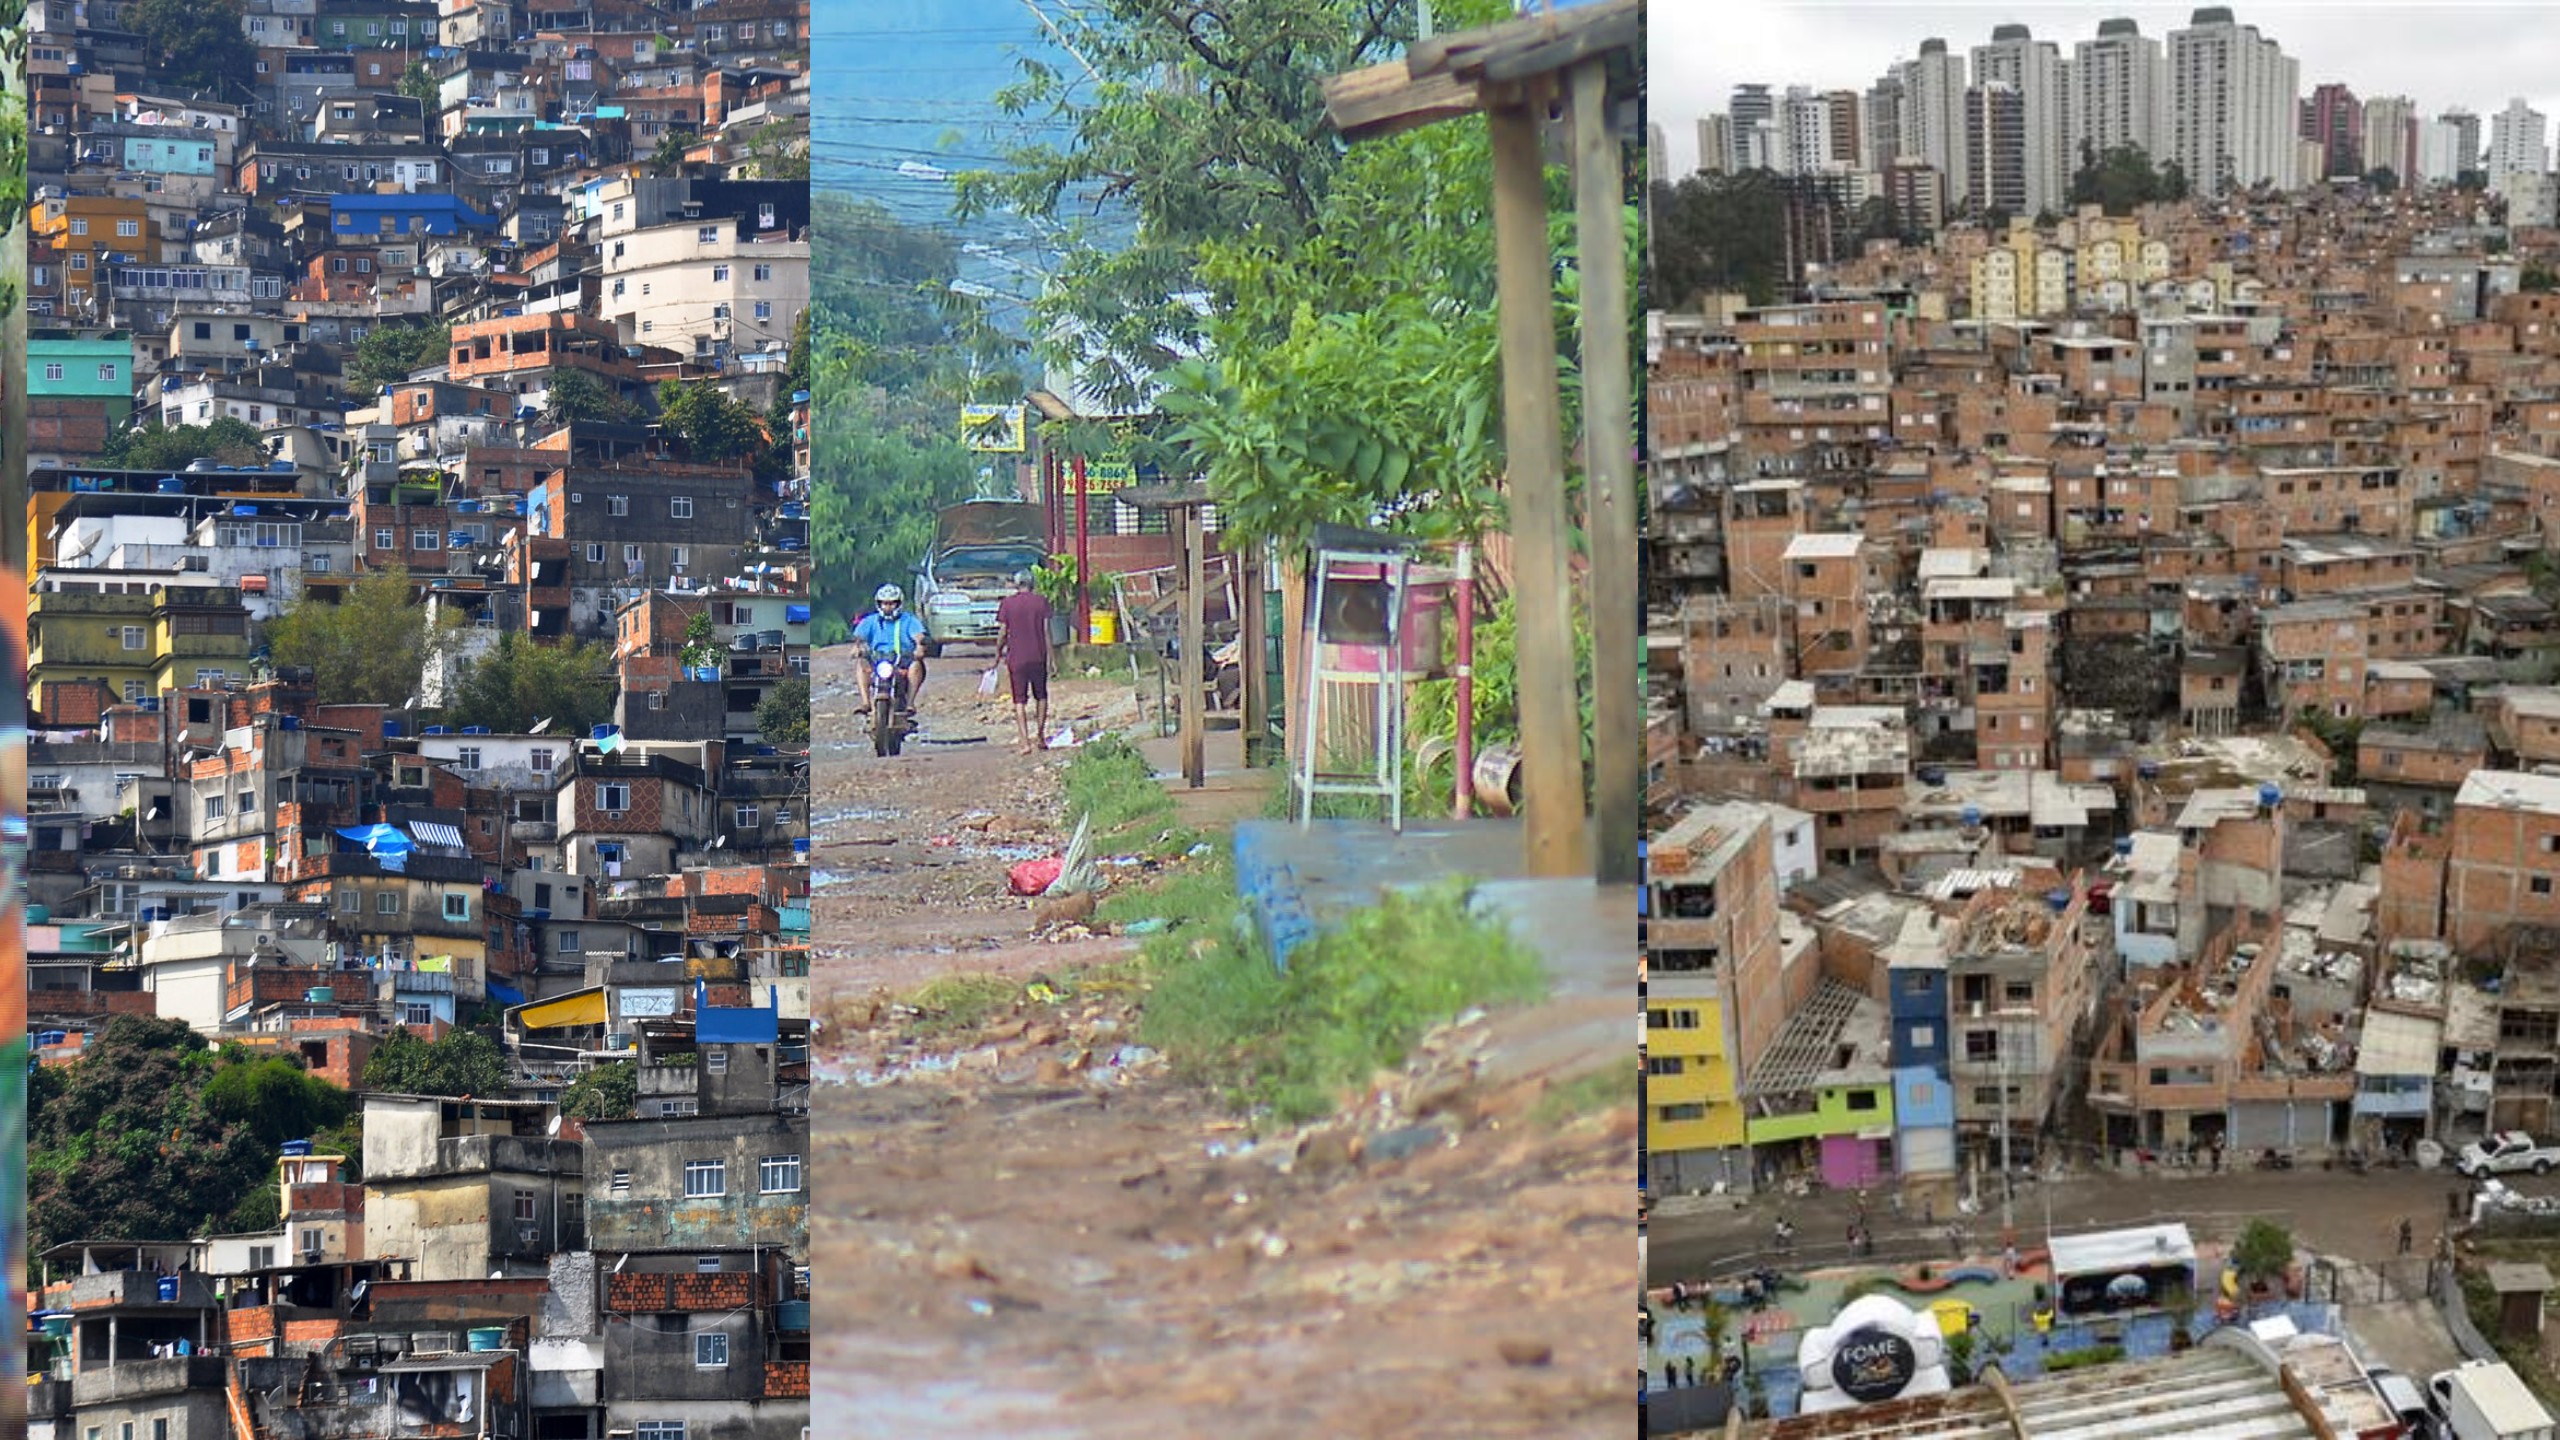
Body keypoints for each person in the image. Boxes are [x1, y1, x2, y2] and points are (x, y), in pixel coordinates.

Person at [994, 570, 1056, 755]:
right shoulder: (1041, 602)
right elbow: (1046, 632)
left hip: (1017, 658)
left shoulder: (1008, 604)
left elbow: (1003, 632)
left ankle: (1024, 741)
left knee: (1019, 700)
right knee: (1041, 696)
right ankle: (1041, 736)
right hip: (1038, 656)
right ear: (1032, 583)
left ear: (1016, 584)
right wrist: (1052, 658)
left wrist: (998, 652)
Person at [854, 585, 929, 719]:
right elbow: (860, 637)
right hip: (877, 659)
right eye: (884, 603)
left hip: (902, 660)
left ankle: (910, 703)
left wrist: (919, 646)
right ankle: (866, 702)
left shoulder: (909, 620)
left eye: (891, 603)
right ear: (879, 604)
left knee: (916, 665)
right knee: (861, 664)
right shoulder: (871, 620)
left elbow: (919, 635)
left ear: (898, 603)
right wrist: (857, 648)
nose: (888, 607)